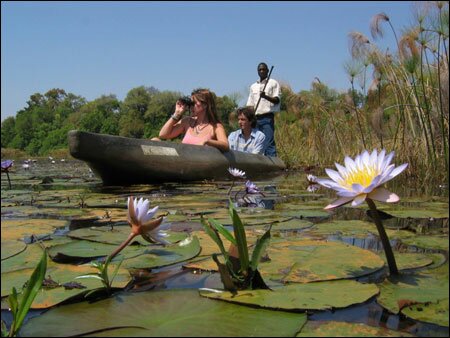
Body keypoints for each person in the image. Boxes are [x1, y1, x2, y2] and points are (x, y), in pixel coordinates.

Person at [157, 88, 229, 152]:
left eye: (193, 103)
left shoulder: (216, 127)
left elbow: (226, 145)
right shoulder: (187, 122)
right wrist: (177, 113)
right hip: (184, 164)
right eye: (190, 103)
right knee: (155, 140)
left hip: (201, 165)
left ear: (205, 105)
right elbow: (163, 135)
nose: (191, 106)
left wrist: (207, 142)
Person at [246, 62, 281, 157]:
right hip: (256, 118)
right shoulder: (253, 86)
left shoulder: (273, 83)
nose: (261, 71)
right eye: (260, 70)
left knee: (268, 142)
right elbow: (250, 105)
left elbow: (277, 100)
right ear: (257, 71)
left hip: (267, 117)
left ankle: (272, 164)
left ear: (268, 70)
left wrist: (265, 96)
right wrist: (249, 118)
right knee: (256, 143)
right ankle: (258, 163)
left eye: (263, 69)